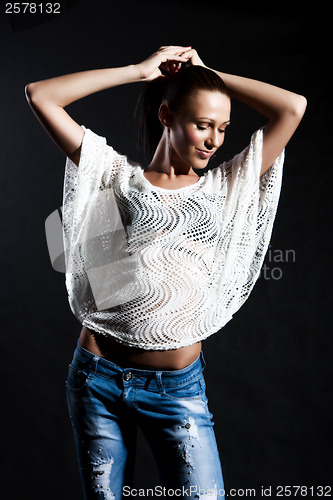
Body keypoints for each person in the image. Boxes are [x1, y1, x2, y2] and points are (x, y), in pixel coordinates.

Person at [25, 45, 306, 499]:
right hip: (97, 376)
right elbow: (41, 95)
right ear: (166, 115)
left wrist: (207, 74)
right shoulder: (115, 176)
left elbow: (293, 107)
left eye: (223, 128)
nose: (215, 140)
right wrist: (138, 70)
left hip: (176, 389)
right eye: (202, 124)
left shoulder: (226, 185)